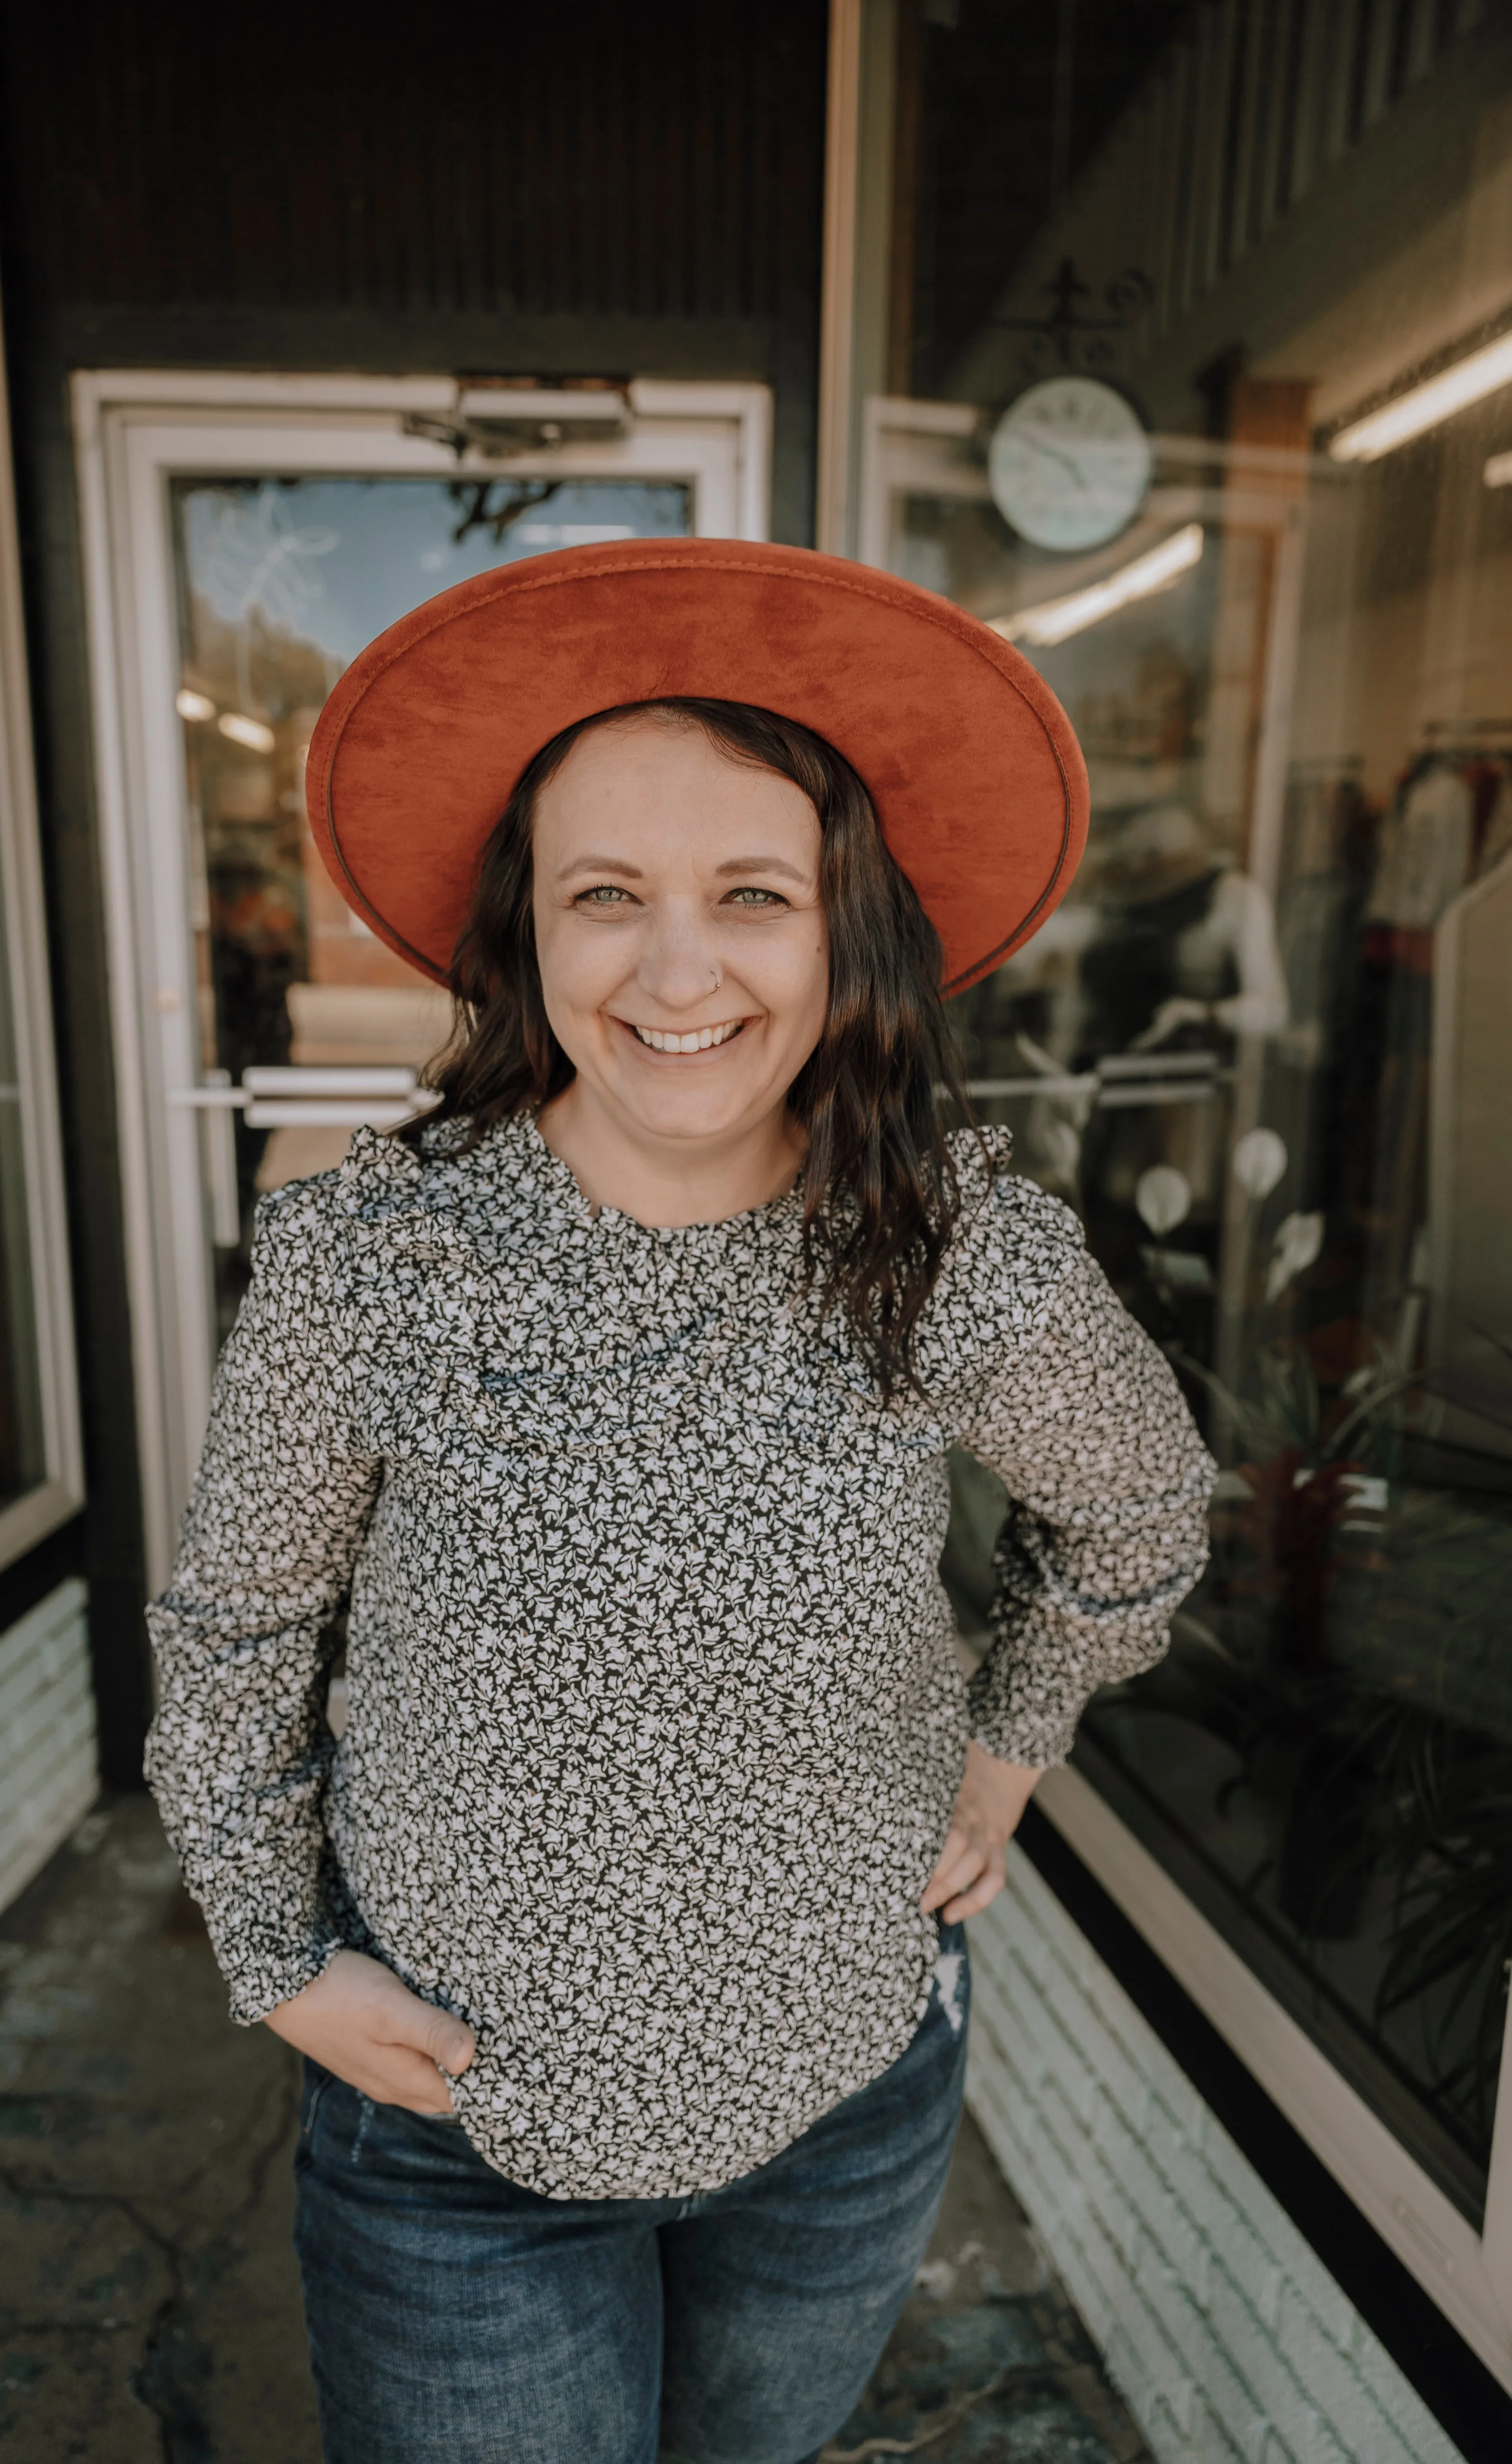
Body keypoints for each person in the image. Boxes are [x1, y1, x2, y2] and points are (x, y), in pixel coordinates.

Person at [145, 540, 1214, 2464]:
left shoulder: (954, 1249)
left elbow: (1140, 1513)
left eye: (752, 897)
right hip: (455, 2144)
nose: (678, 972)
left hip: (845, 2106)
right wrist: (276, 1960)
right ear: (528, 939)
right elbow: (234, 1632)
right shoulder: (372, 1262)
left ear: (845, 934)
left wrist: (1013, 1745)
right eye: (605, 898)